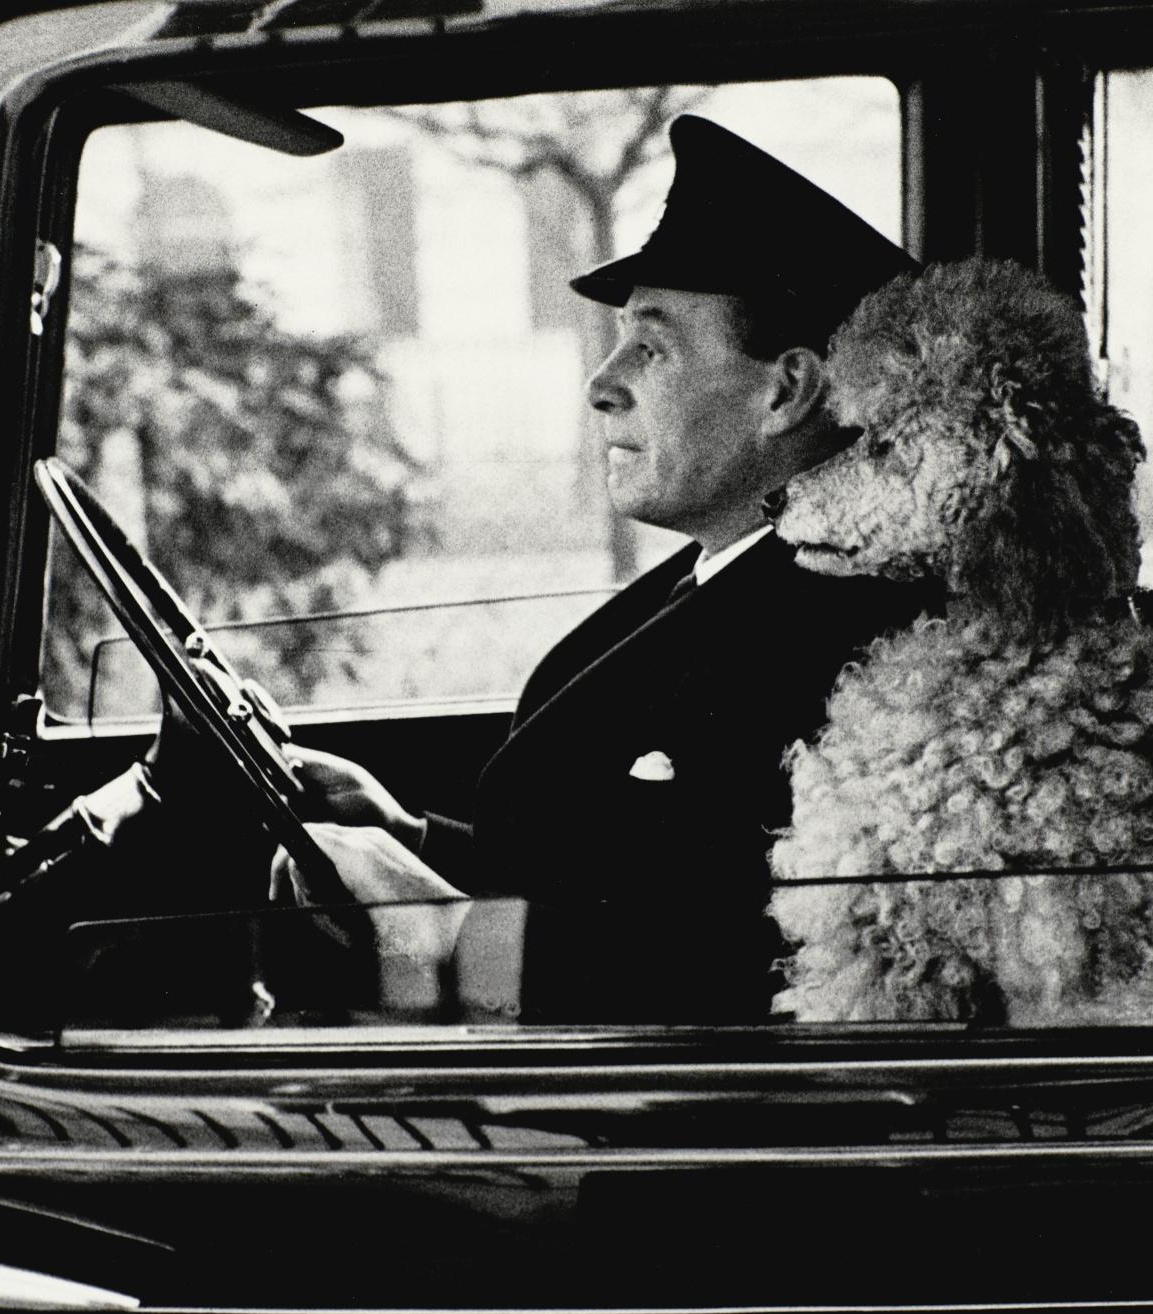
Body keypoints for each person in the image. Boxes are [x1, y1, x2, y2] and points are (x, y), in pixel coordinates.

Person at [280, 115, 936, 1024]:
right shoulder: (739, 571)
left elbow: (722, 965)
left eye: (653, 347)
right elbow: (617, 873)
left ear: (787, 390)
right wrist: (410, 836)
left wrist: (432, 929)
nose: (603, 381)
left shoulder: (843, 635)